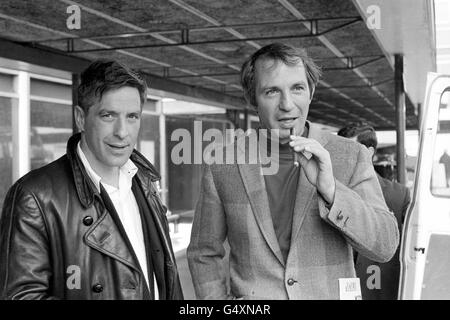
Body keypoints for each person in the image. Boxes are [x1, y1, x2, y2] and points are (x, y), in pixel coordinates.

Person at [187, 43, 399, 300]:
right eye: (272, 91)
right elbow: (203, 252)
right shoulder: (224, 164)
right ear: (253, 99)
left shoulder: (350, 156)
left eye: (297, 88)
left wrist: (332, 191)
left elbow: (384, 247)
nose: (287, 105)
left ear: (311, 92)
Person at [0, 60, 183, 300]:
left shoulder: (145, 182)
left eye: (132, 117)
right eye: (108, 115)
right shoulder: (35, 196)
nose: (122, 131)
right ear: (80, 117)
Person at [337, 124, 411, 300]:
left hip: (379, 289)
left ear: (369, 152)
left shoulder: (399, 195)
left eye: (349, 150)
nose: (341, 157)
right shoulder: (327, 190)